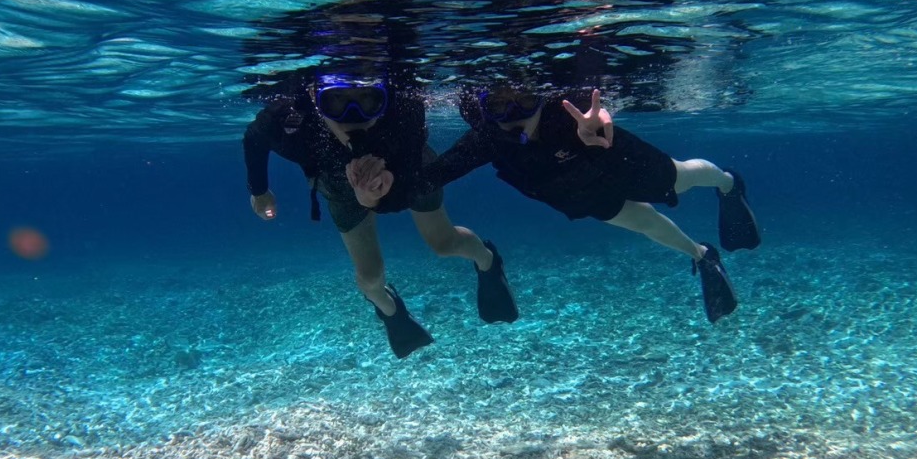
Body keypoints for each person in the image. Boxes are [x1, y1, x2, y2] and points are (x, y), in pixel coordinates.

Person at [416, 84, 761, 323]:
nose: (512, 113)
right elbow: (435, 174)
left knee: (681, 177)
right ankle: (701, 255)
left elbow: (590, 100)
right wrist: (380, 188)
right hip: (574, 187)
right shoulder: (487, 137)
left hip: (611, 153)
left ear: (543, 98)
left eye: (524, 99)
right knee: (643, 222)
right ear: (483, 108)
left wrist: (589, 125)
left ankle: (728, 183)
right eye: (497, 104)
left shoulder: (567, 113)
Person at [242, 73, 519, 358]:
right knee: (370, 275)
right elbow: (254, 137)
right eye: (336, 101)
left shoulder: (403, 110)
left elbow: (409, 188)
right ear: (314, 96)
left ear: (384, 98)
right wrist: (259, 190)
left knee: (444, 243)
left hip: (410, 170)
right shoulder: (290, 120)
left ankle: (487, 261)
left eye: (368, 101)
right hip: (338, 185)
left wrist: (375, 196)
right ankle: (391, 313)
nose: (354, 117)